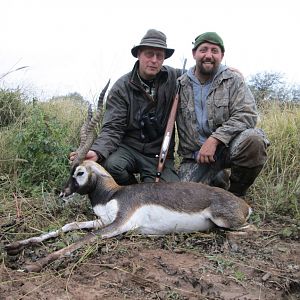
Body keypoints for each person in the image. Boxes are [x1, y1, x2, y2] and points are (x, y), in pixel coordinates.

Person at [72, 29, 180, 185]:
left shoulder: (175, 77)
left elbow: (200, 74)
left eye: (159, 56)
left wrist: (224, 70)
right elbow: (112, 128)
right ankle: (131, 193)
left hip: (159, 154)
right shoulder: (121, 87)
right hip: (130, 150)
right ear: (139, 54)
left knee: (169, 194)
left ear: (164, 58)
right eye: (149, 54)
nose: (154, 60)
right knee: (111, 166)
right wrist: (97, 151)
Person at [176, 32, 270, 196]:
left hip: (227, 148)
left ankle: (236, 194)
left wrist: (215, 140)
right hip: (196, 157)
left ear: (222, 55)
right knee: (184, 198)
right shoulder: (179, 84)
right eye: (203, 50)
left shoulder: (233, 80)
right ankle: (218, 178)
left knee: (254, 140)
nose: (208, 55)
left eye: (214, 51)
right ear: (194, 53)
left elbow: (247, 114)